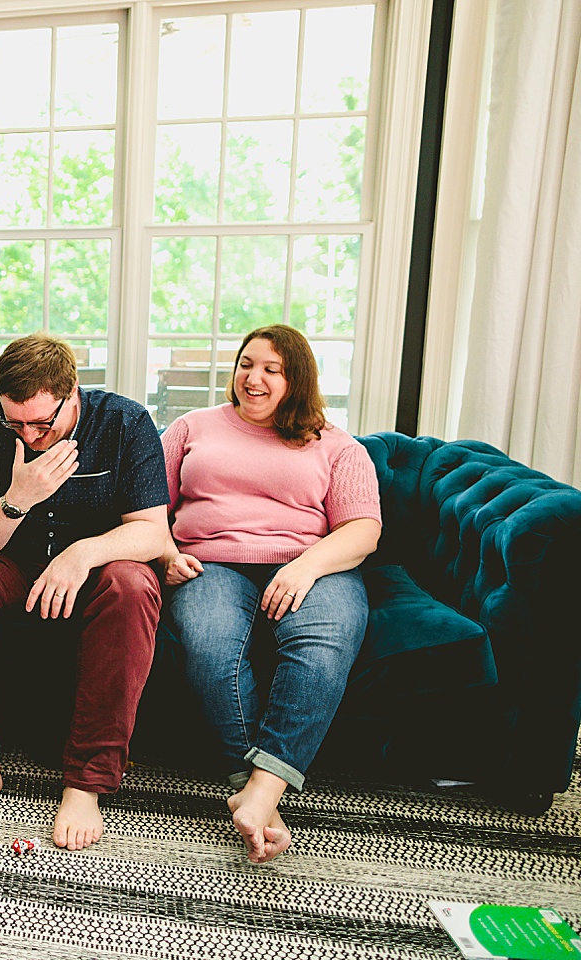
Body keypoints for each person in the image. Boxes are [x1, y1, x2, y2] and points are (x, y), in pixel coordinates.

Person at [0, 333, 170, 851]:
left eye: (42, 423)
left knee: (134, 583)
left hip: (97, 572)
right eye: (17, 422)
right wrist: (17, 499)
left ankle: (85, 782)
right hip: (13, 564)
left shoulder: (126, 423)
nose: (30, 436)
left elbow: (152, 533)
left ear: (71, 391)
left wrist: (81, 555)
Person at [159, 324, 381, 864]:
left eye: (270, 370)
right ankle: (259, 788)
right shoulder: (191, 427)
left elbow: (363, 530)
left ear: (296, 380)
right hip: (209, 561)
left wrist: (307, 566)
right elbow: (145, 509)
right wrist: (166, 554)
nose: (252, 379)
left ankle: (259, 790)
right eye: (245, 364)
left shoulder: (337, 445)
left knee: (323, 644)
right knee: (211, 646)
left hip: (312, 564)